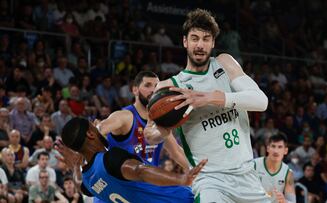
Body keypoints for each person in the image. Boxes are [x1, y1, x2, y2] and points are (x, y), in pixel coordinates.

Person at [147, 8, 270, 202]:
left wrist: (211, 98)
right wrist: (165, 128)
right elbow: (150, 135)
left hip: (247, 175)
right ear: (185, 41)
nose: (200, 45)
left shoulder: (224, 63)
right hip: (210, 180)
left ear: (213, 43)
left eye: (206, 39)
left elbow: (261, 101)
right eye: (194, 38)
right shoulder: (169, 88)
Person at [58, 117, 207, 203]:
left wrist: (75, 168)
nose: (99, 127)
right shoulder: (109, 159)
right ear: (91, 134)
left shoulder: (89, 181)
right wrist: (182, 179)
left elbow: (80, 186)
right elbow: (140, 171)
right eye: (95, 127)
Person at [96, 71, 188, 169]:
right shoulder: (125, 116)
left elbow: (177, 153)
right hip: (124, 181)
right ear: (135, 90)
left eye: (156, 86)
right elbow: (99, 129)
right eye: (147, 85)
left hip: (150, 181)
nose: (153, 90)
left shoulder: (161, 121)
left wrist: (202, 172)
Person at [254, 134, 296, 203]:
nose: (276, 151)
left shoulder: (288, 173)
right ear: (267, 148)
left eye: (280, 147)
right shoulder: (254, 165)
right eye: (273, 146)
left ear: (285, 151)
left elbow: (292, 201)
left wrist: (284, 201)